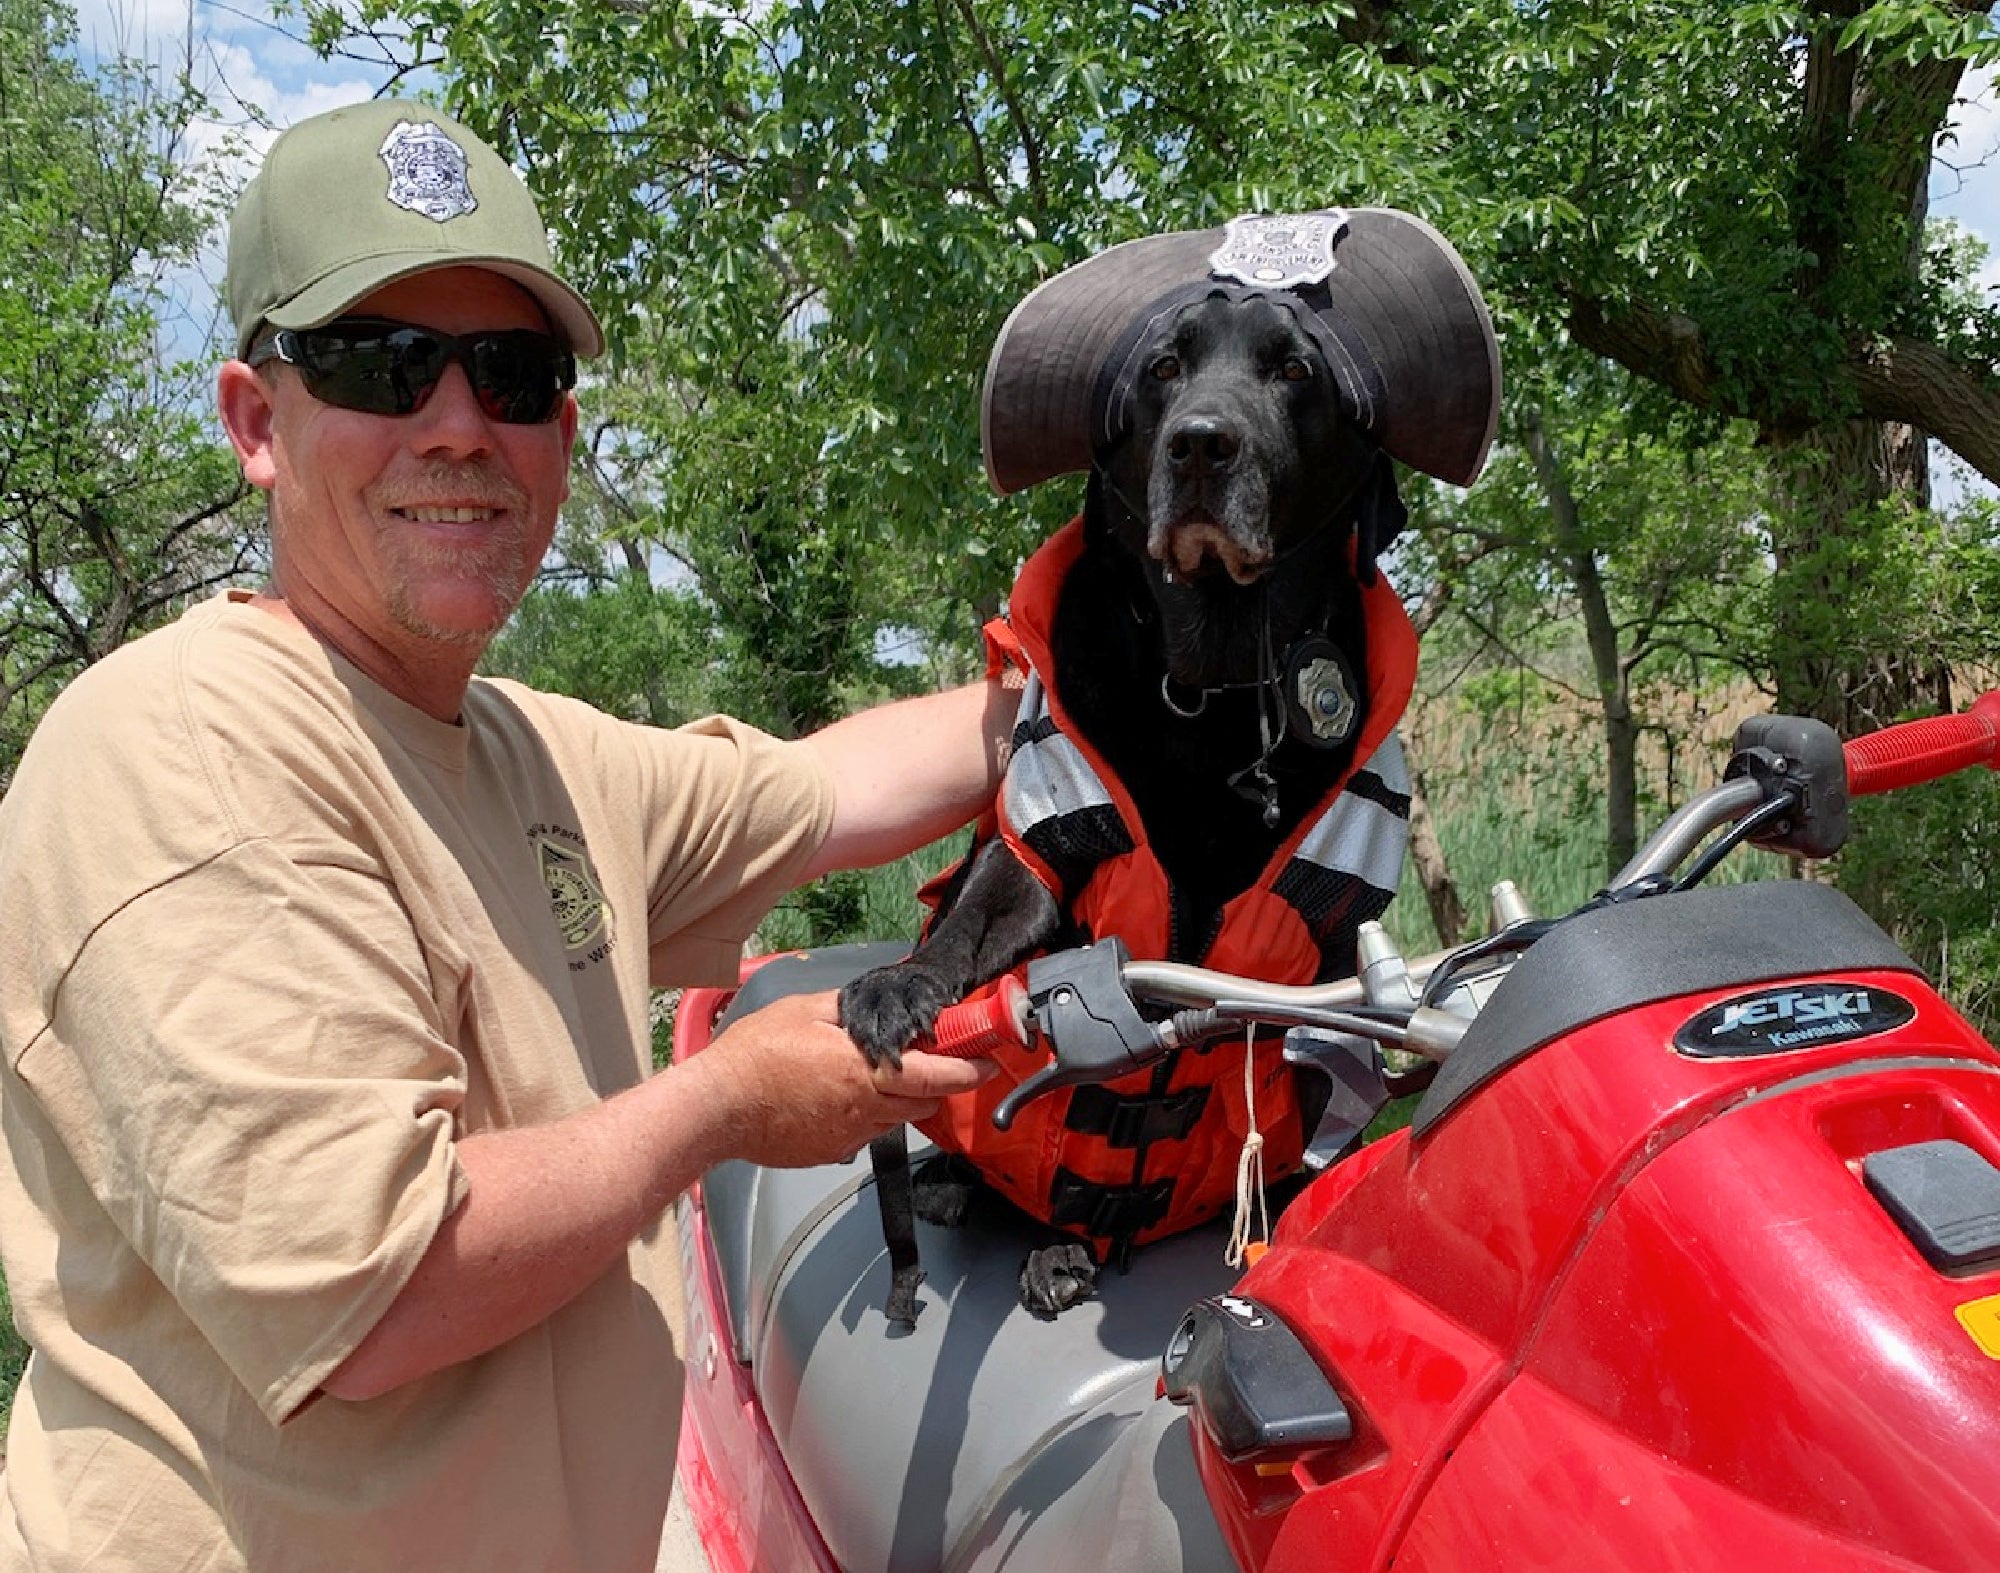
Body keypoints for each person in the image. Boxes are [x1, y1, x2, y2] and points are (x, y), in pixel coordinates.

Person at [0, 99, 1005, 1573]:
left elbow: (828, 789)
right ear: (254, 422)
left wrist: (1089, 681)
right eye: (382, 363)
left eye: (512, 374)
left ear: (561, 433)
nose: (459, 423)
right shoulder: (186, 749)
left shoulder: (528, 747)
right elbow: (378, 1285)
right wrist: (722, 1104)